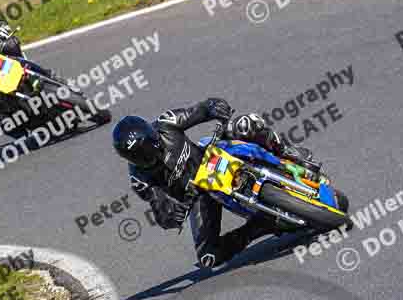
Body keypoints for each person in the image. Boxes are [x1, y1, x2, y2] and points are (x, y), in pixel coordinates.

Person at [112, 99, 313, 268]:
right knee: (208, 257)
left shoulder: (166, 123)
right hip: (198, 195)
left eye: (147, 148)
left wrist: (215, 107)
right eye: (139, 156)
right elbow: (162, 214)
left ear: (152, 134)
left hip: (210, 154)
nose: (147, 157)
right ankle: (258, 227)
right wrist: (174, 214)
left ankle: (286, 150)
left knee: (245, 123)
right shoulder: (140, 179)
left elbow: (200, 110)